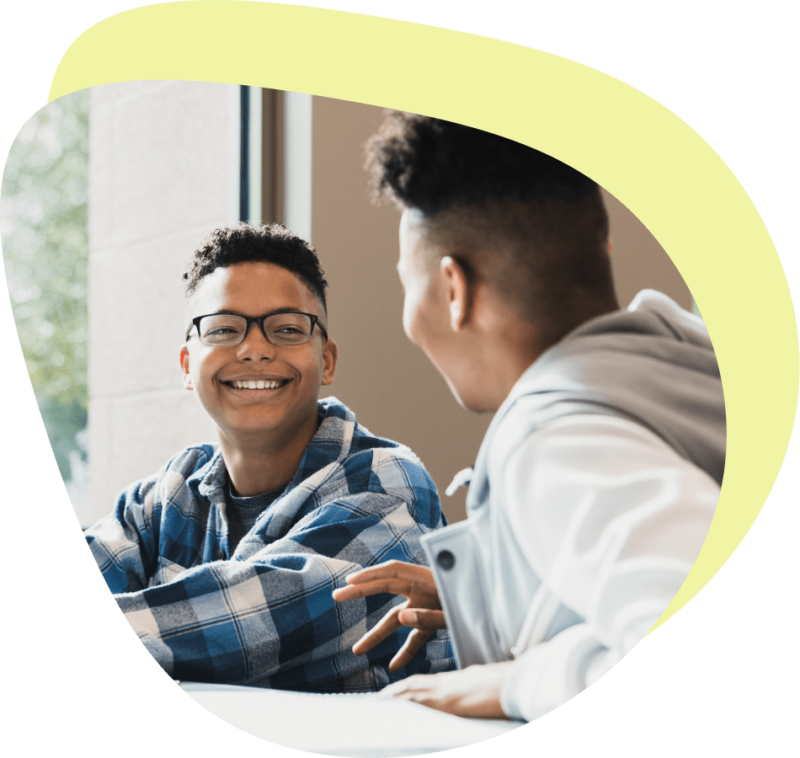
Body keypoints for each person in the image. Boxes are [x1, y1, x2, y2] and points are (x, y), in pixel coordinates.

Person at [333, 113, 725, 720]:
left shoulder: (553, 437)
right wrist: (497, 595)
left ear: (454, 288)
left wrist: (513, 683)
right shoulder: (692, 364)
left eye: (408, 285)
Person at [85, 222, 453, 692]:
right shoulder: (165, 496)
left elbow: (251, 622)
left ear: (327, 361)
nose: (255, 349)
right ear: (186, 366)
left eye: (286, 329)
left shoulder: (388, 482)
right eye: (223, 329)